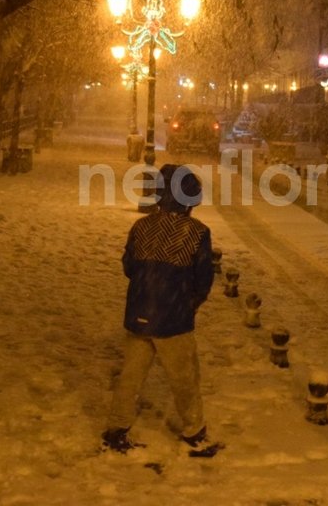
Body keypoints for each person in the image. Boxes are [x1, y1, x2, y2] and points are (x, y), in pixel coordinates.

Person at [102, 163, 221, 457]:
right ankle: (195, 431)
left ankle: (117, 428)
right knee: (184, 378)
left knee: (130, 376)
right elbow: (203, 280)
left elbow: (129, 267)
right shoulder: (197, 233)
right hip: (173, 318)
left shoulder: (141, 227)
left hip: (139, 313)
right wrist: (187, 304)